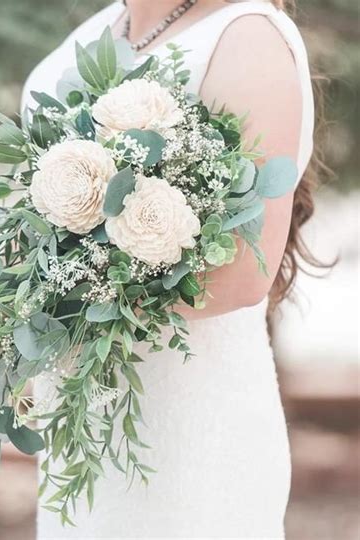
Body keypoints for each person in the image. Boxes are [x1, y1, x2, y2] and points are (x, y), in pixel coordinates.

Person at [21, 0, 318, 537]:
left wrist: (55, 297)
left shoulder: (248, 35)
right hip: (81, 442)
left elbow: (243, 273)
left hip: (191, 444)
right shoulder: (94, 33)